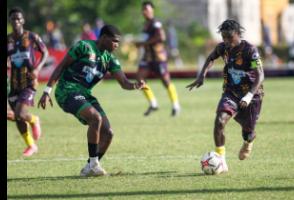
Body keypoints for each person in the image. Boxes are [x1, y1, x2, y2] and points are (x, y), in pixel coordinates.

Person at [37, 24, 146, 177]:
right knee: (95, 118)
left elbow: (124, 83)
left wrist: (136, 85)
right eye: (114, 41)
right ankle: (94, 164)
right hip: (67, 90)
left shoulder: (110, 59)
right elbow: (61, 66)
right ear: (103, 38)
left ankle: (89, 166)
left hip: (85, 94)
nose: (117, 45)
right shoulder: (84, 46)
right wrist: (47, 90)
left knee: (108, 133)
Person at [186, 19, 264, 174]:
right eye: (223, 38)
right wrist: (202, 76)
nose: (226, 41)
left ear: (238, 34)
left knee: (248, 132)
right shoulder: (223, 48)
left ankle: (248, 142)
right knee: (219, 121)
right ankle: (221, 161)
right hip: (231, 92)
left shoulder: (250, 50)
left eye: (229, 37)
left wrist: (248, 96)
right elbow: (210, 58)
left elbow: (260, 75)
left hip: (252, 95)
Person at [7, 7, 49, 156]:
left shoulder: (31, 36)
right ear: (10, 21)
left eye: (19, 18)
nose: (16, 21)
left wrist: (37, 69)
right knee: (17, 117)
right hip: (14, 84)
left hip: (29, 82)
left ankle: (34, 120)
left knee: (19, 113)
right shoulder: (8, 40)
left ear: (23, 20)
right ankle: (31, 145)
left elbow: (45, 52)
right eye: (13, 19)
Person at [135, 1, 180, 116]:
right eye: (144, 9)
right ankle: (153, 103)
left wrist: (143, 43)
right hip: (147, 57)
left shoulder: (156, 23)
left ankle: (175, 105)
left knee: (166, 81)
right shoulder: (145, 24)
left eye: (148, 9)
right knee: (140, 78)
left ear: (152, 11)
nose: (145, 11)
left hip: (158, 57)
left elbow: (161, 36)